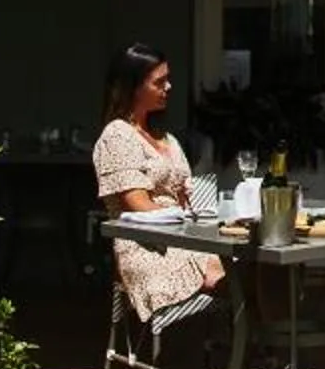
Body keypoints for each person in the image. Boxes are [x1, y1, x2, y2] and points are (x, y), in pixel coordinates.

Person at [90, 44, 225, 319]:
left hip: (182, 238)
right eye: (159, 82)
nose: (169, 87)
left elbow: (187, 194)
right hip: (146, 247)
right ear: (134, 87)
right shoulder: (118, 135)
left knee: (254, 267)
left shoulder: (167, 138)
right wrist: (185, 220)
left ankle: (259, 348)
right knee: (229, 276)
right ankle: (252, 350)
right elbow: (137, 205)